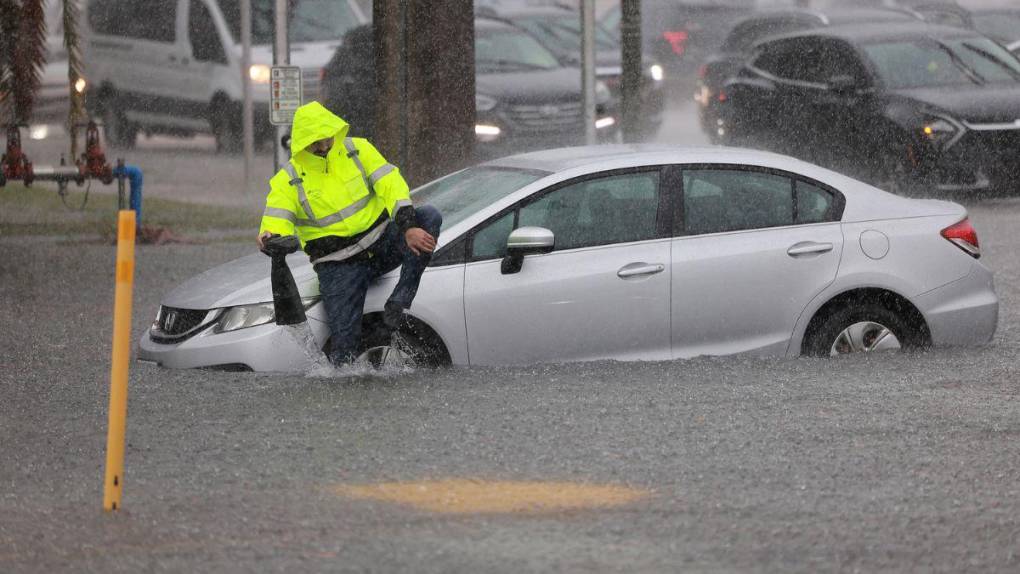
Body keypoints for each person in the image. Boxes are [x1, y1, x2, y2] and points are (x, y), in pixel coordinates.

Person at [257, 102, 441, 365]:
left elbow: (391, 185)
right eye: (315, 143)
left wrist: (409, 226)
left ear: (335, 131)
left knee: (429, 216)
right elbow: (276, 219)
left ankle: (400, 299)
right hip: (338, 266)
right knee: (343, 356)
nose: (323, 147)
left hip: (382, 244)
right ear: (301, 144)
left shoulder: (358, 149)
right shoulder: (289, 178)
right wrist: (269, 237)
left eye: (327, 139)